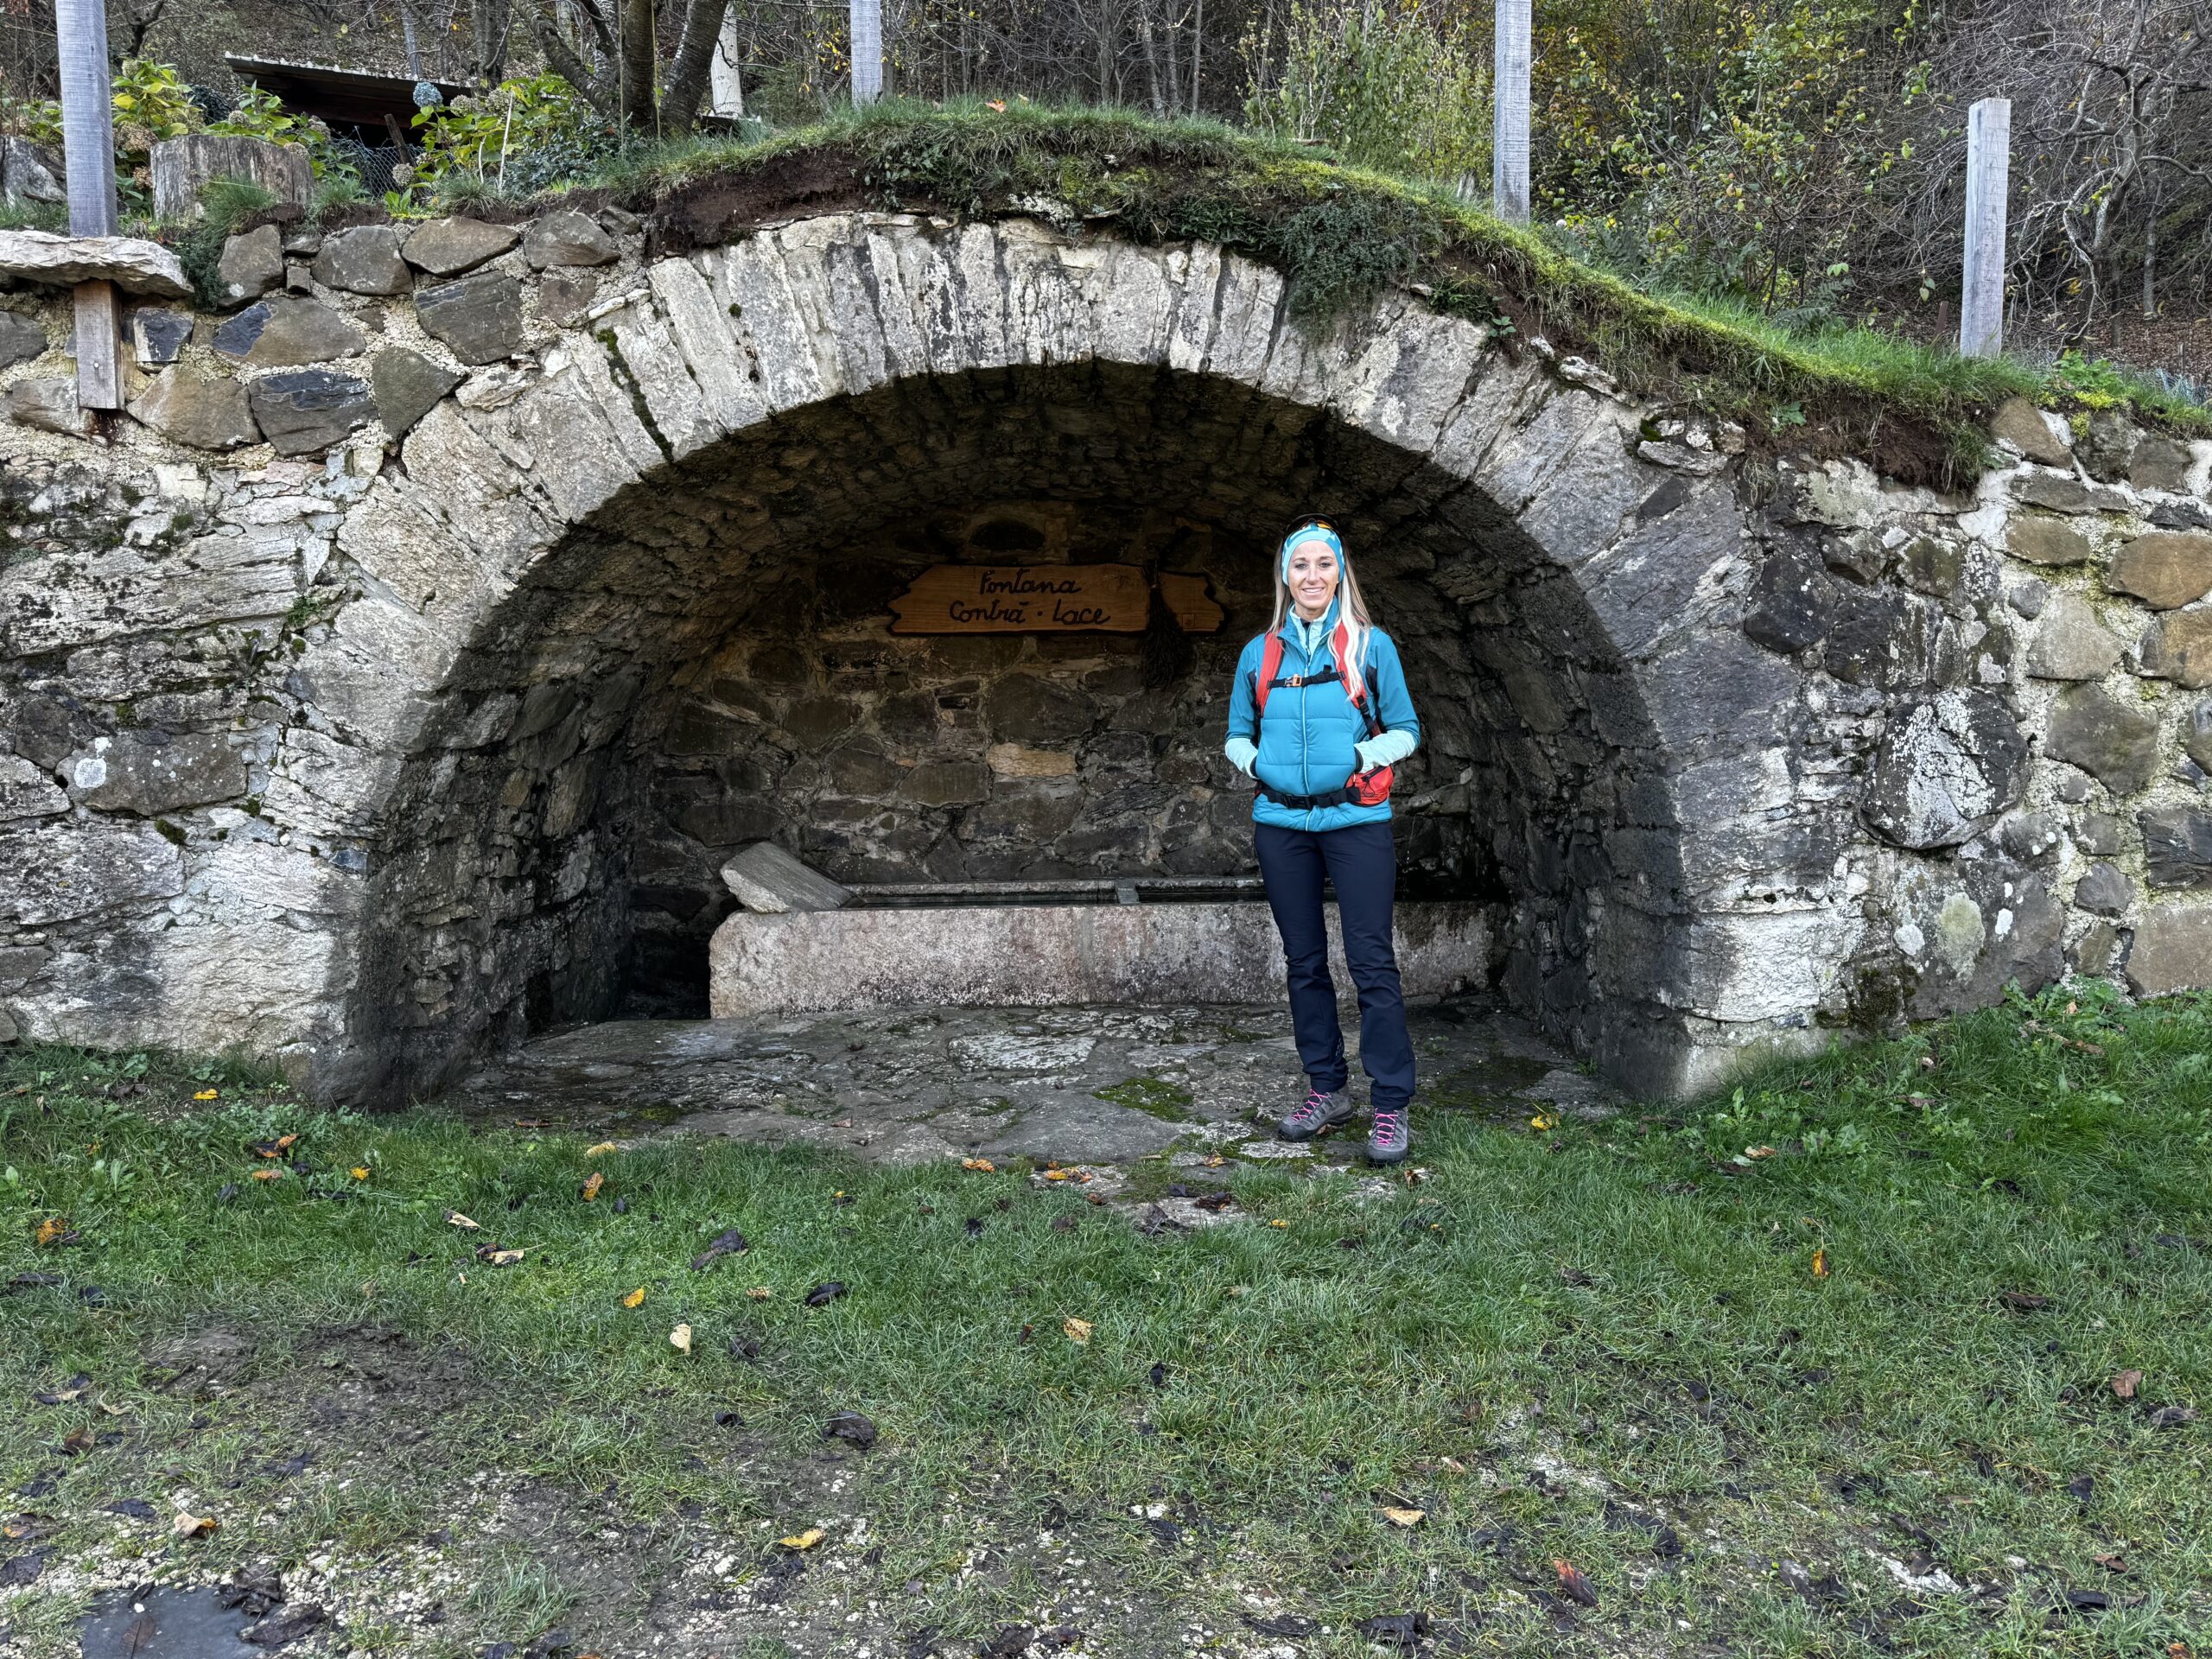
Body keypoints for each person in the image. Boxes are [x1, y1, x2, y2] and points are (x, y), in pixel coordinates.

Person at [1224, 517, 1422, 1165]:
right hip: (1282, 826)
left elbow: (1407, 727)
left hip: (1356, 823)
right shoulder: (1261, 653)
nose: (1313, 576)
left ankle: (1389, 1104)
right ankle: (1327, 1089)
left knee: (1371, 962)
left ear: (1341, 573)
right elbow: (1236, 735)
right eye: (1301, 565)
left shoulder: (1371, 646)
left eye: (1324, 564)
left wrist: (1362, 755)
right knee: (1304, 962)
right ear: (1286, 575)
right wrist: (1258, 767)